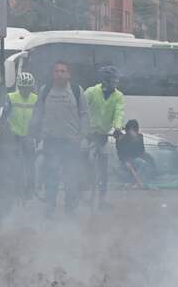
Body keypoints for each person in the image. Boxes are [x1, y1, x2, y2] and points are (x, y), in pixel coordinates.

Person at [28, 60, 90, 215]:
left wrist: (81, 136)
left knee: (71, 179)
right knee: (51, 177)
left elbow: (85, 115)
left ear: (69, 75)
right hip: (51, 142)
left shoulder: (76, 90)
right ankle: (50, 207)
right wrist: (35, 133)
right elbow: (38, 113)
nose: (60, 74)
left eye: (63, 71)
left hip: (71, 143)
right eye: (57, 71)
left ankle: (70, 209)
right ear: (52, 74)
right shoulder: (45, 90)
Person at [84, 66, 125, 207]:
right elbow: (81, 109)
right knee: (81, 156)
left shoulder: (118, 96)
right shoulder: (91, 92)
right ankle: (80, 186)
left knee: (103, 168)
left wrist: (118, 128)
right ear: (106, 80)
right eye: (114, 79)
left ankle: (102, 200)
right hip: (88, 134)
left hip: (102, 136)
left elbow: (119, 113)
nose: (116, 82)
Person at [116, 119, 155, 187]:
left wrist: (135, 140)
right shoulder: (123, 138)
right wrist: (125, 161)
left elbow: (141, 151)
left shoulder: (139, 137)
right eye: (131, 130)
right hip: (126, 161)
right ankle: (133, 182)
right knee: (139, 163)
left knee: (142, 162)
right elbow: (120, 152)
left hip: (136, 160)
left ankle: (138, 182)